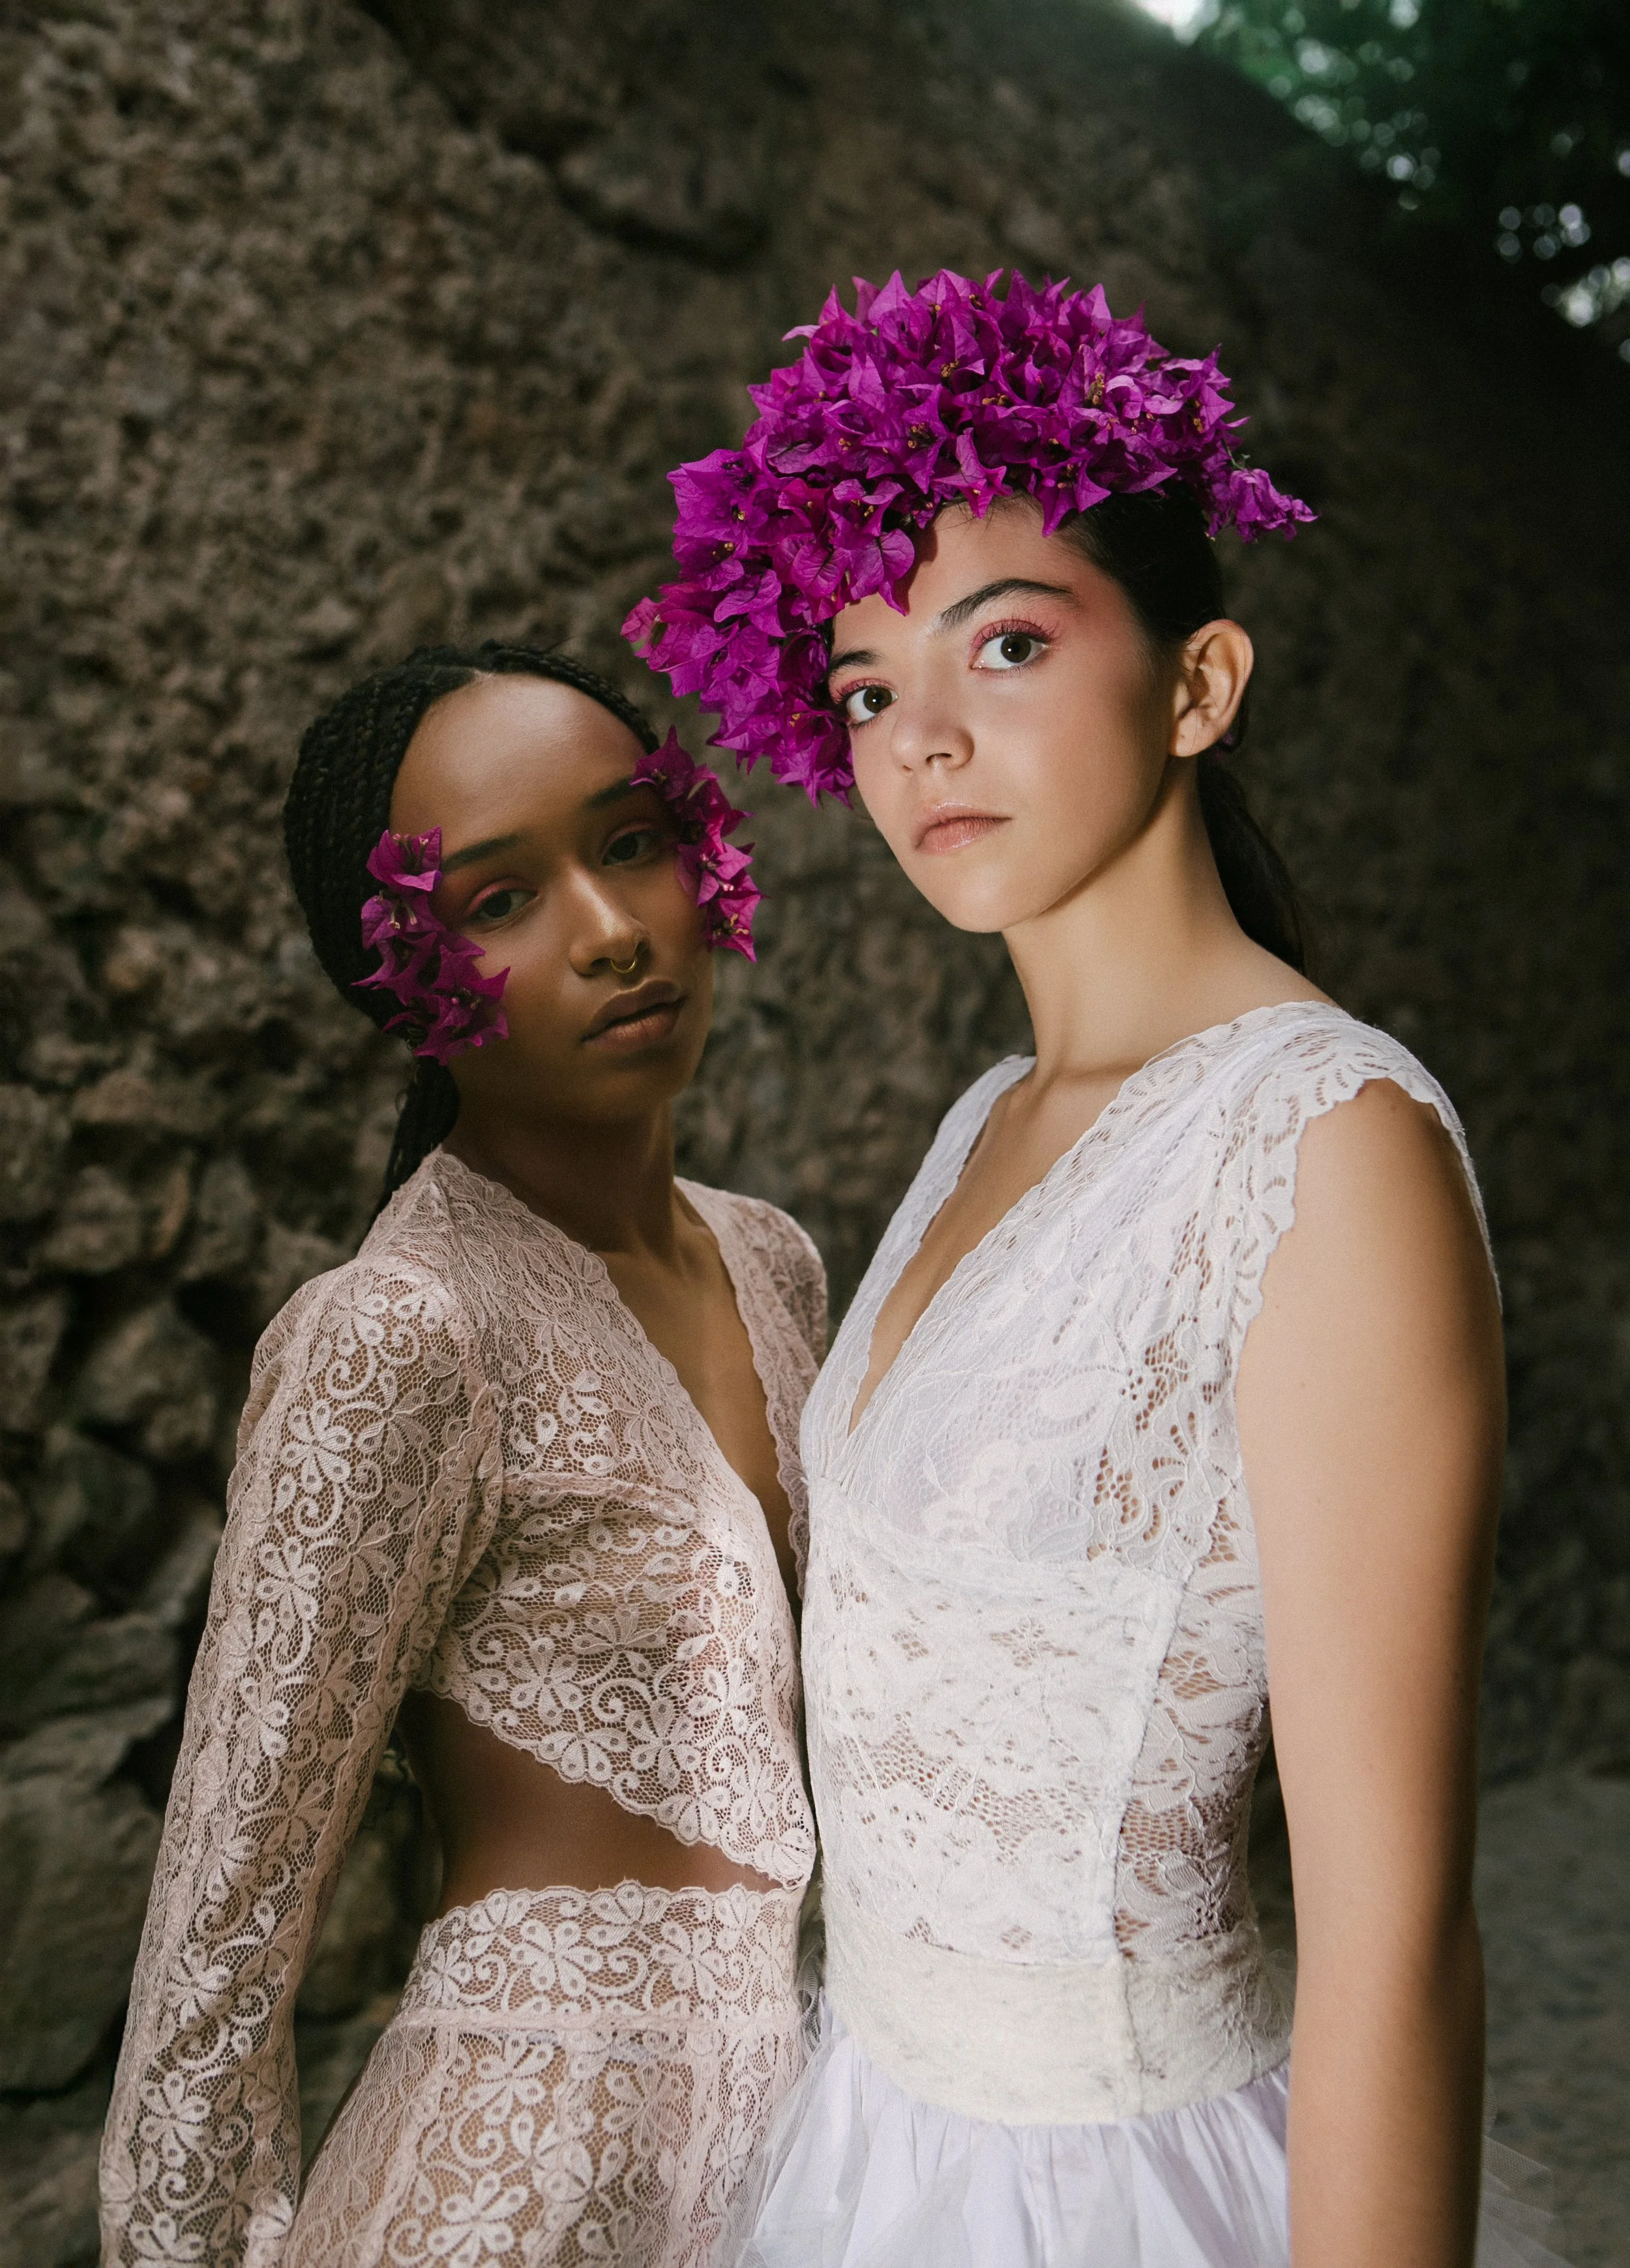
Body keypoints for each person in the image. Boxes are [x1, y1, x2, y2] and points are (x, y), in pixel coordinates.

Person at [628, 272, 1565, 2267]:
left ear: (1199, 681)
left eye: (1011, 641)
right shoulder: (986, 1116)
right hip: (871, 2156)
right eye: (867, 684)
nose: (921, 740)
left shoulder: (1328, 1153)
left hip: (1122, 2193)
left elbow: (1396, 1936)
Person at [99, 642, 824, 2268]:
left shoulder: (770, 1261)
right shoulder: (395, 1332)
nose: (611, 927)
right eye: (499, 900)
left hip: (806, 2163)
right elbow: (223, 1923)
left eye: (629, 838)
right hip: (519, 2189)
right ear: (403, 977)